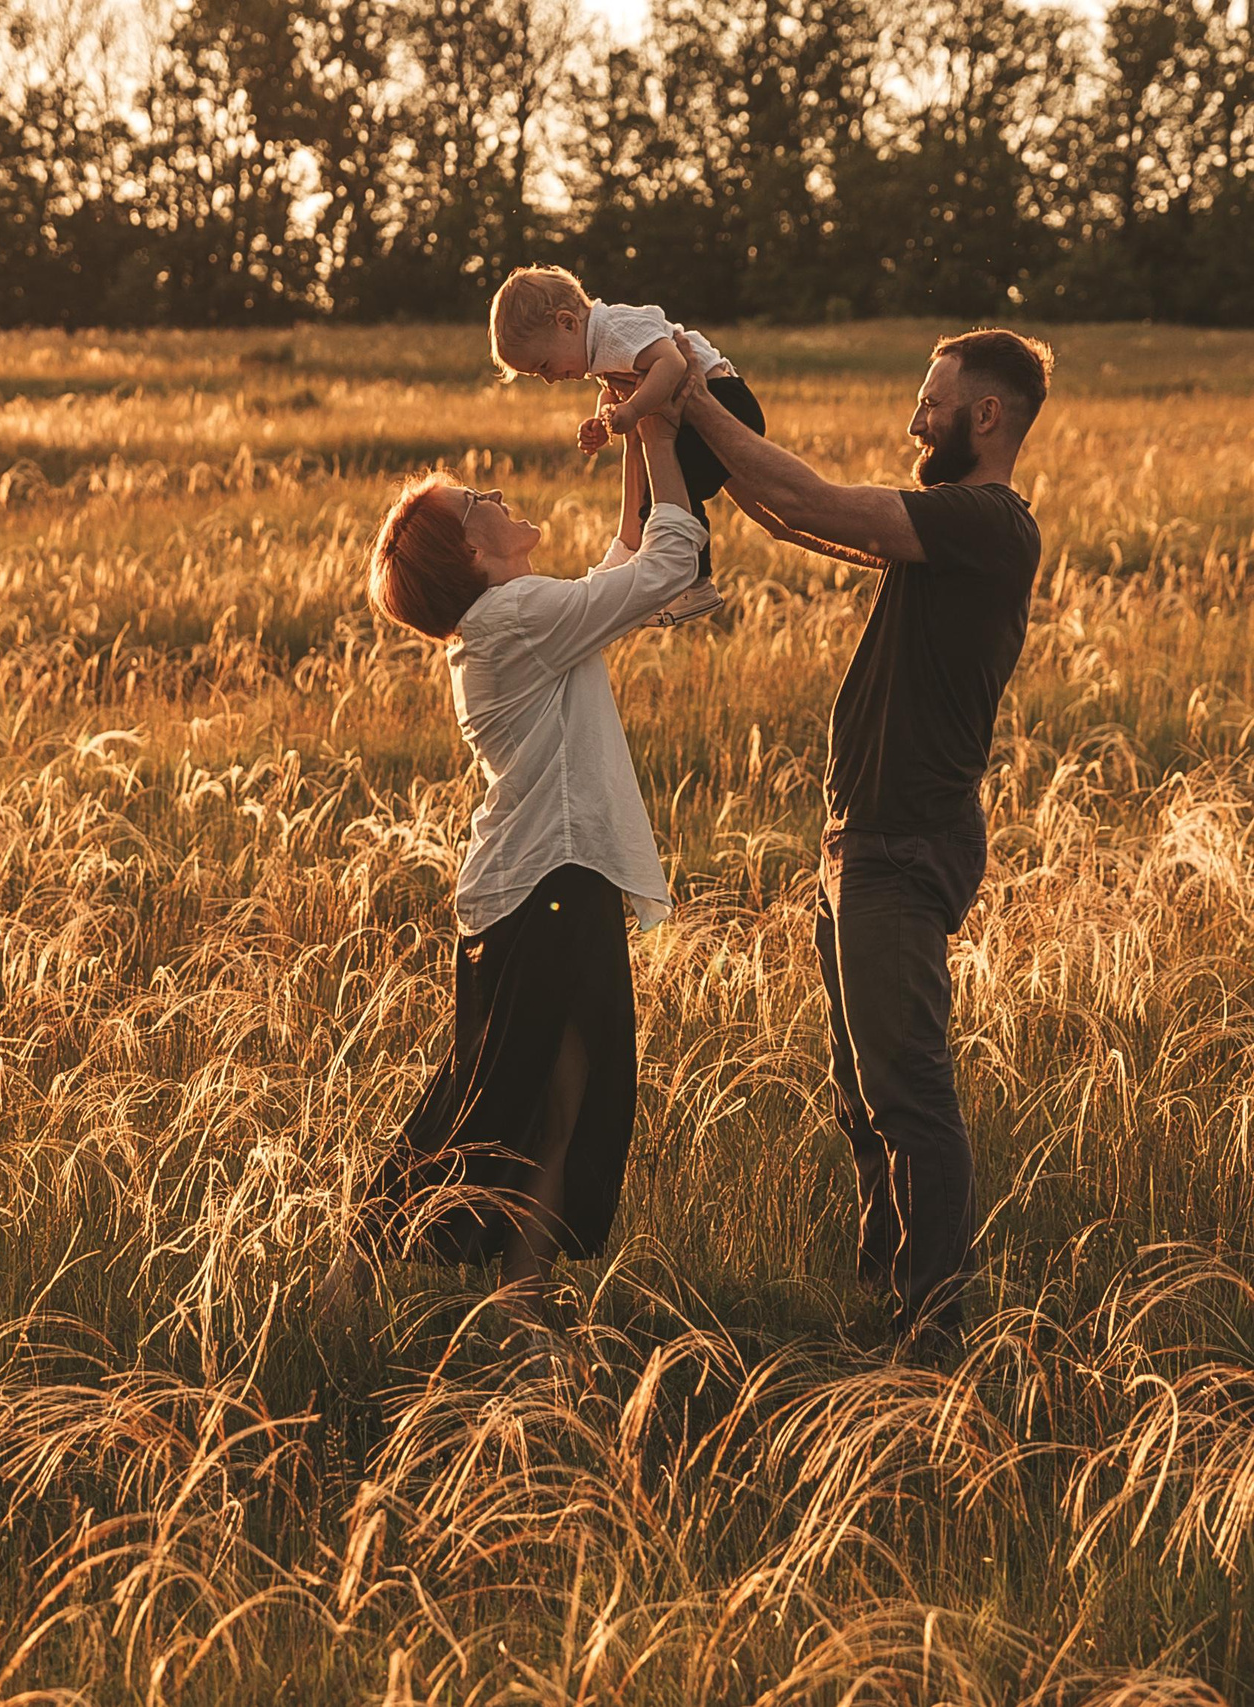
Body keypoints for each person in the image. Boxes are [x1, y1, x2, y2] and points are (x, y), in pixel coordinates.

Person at [671, 326, 1054, 1350]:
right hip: (858, 844)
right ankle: (879, 1293)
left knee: (908, 1095)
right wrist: (695, 408)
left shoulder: (987, 523)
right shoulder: (947, 526)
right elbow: (787, 519)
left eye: (929, 402)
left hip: (902, 847)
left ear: (985, 416)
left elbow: (810, 502)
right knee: (859, 1095)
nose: (911, 419)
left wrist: (692, 405)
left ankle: (932, 1335)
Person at [337, 402, 704, 1319]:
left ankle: (514, 1299)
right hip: (545, 884)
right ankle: (370, 1260)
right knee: (508, 1096)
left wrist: (632, 443)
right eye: (476, 503)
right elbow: (663, 567)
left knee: (548, 1091)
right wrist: (660, 439)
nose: (496, 494)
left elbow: (621, 563)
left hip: (541, 885)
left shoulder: (516, 618)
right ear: (472, 555)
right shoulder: (516, 617)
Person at [487, 263, 768, 629]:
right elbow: (613, 389)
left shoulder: (617, 329)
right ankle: (673, 573)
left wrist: (634, 410)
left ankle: (695, 581)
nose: (551, 380)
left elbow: (672, 361)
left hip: (726, 401)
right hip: (705, 411)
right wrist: (603, 423)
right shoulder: (599, 344)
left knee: (669, 492)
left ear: (567, 323)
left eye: (544, 365)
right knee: (665, 494)